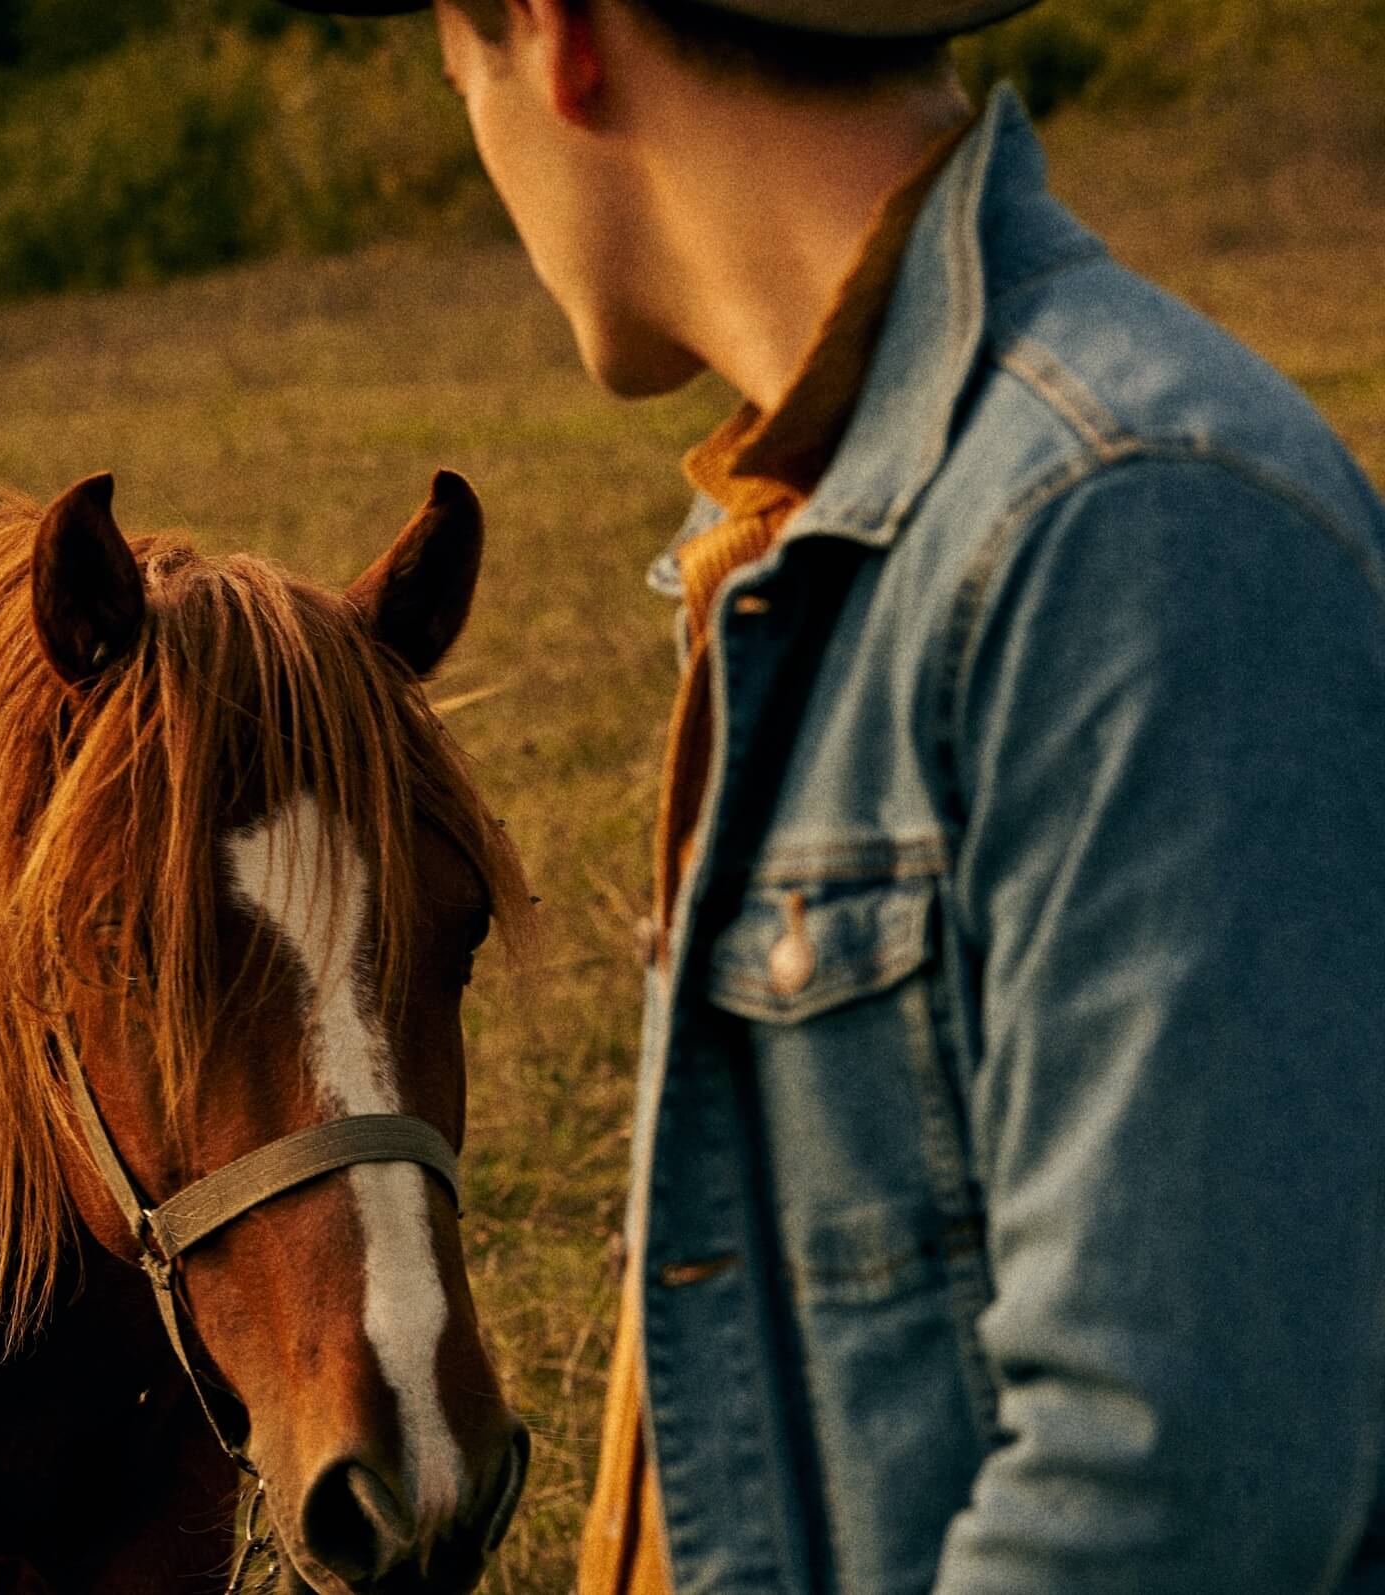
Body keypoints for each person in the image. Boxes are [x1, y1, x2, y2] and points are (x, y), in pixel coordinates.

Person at [278, 1, 1385, 1590]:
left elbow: (1173, 1495)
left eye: (455, 67)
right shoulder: (822, 535)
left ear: (553, 33)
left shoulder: (1128, 537)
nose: (474, 127)